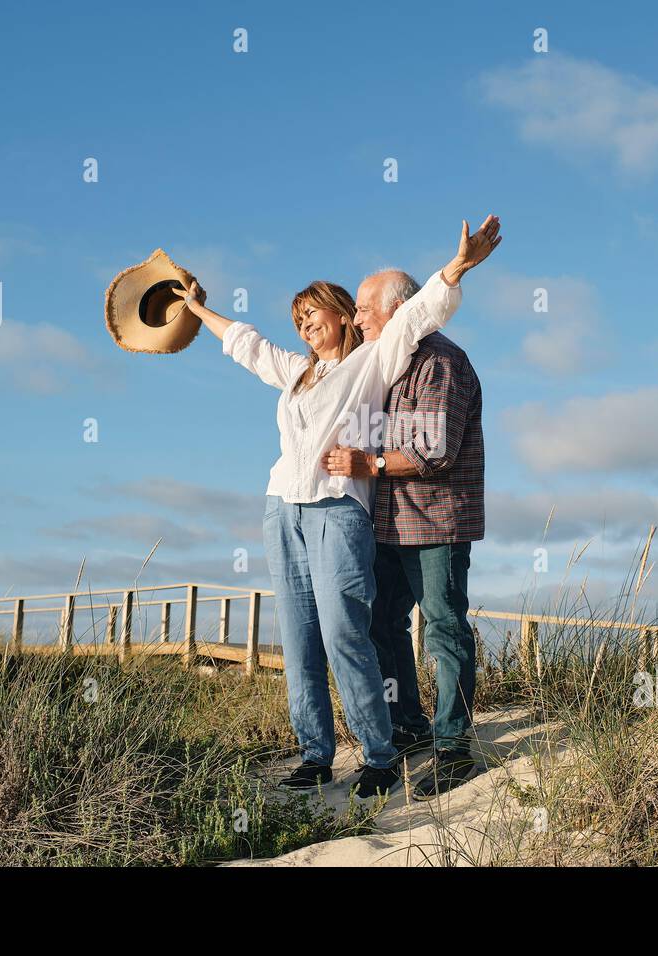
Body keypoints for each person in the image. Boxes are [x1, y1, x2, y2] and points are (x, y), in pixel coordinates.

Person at [180, 216, 501, 799]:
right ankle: (316, 753)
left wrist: (456, 268)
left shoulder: (373, 362)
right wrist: (197, 309)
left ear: (343, 313)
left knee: (344, 632)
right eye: (298, 317)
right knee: (301, 638)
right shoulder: (297, 373)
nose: (306, 323)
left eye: (317, 311)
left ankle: (381, 754)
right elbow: (246, 346)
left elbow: (419, 312)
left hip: (340, 510)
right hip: (283, 507)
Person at [321, 262, 487, 800]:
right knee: (383, 624)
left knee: (442, 628)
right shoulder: (384, 364)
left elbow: (434, 451)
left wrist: (365, 464)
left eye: (365, 309)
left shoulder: (442, 362)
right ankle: (409, 724)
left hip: (437, 521)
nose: (357, 318)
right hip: (389, 522)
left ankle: (454, 747)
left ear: (397, 311)